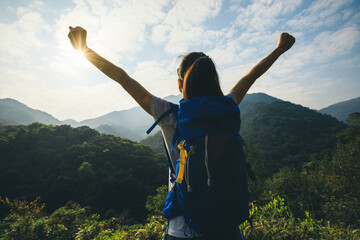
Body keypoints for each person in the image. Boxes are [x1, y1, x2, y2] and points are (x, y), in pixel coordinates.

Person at [68, 26, 295, 239]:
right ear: (214, 81)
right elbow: (251, 76)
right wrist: (279, 50)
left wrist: (84, 49)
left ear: (180, 84)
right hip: (227, 227)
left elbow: (122, 78)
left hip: (182, 229)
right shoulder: (228, 108)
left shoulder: (169, 115)